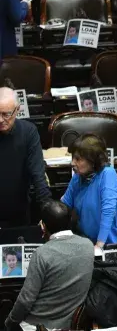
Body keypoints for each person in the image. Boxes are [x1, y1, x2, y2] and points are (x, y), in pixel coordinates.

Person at [4, 200, 92, 331]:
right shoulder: (88, 246)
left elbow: (25, 301)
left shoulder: (41, 254)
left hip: (35, 327)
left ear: (43, 226)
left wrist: (9, 322)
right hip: (71, 325)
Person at [61, 134, 117, 249]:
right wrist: (49, 218)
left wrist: (99, 245)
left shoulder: (107, 174)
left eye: (78, 159)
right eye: (72, 158)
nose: (72, 163)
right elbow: (64, 206)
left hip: (114, 243)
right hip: (89, 242)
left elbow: (108, 211)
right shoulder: (77, 177)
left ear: (93, 160)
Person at [0, 87, 50, 227]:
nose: (0, 120)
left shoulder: (28, 132)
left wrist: (48, 213)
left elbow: (38, 175)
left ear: (17, 110)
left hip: (18, 214)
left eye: (6, 114)